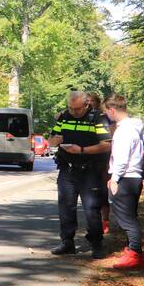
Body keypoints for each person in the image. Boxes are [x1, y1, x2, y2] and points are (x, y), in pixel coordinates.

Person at [47, 91, 112, 258]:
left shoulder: (98, 118)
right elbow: (52, 138)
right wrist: (55, 141)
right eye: (71, 108)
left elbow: (106, 145)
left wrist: (82, 150)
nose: (74, 112)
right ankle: (67, 242)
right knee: (66, 208)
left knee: (91, 209)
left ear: (86, 105)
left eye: (78, 109)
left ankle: (96, 243)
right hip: (67, 169)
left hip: (90, 170)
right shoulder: (65, 116)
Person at [103, 94, 144, 270]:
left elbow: (121, 158)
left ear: (112, 110)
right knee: (130, 216)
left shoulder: (124, 131)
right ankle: (131, 249)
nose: (107, 116)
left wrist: (114, 178)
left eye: (107, 112)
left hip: (125, 178)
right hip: (133, 177)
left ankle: (135, 254)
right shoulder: (134, 128)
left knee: (127, 219)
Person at [87, 92, 114, 234]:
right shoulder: (83, 116)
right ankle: (94, 221)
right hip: (89, 159)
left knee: (103, 193)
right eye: (87, 101)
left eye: (92, 101)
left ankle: (105, 220)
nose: (89, 103)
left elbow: (112, 134)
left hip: (103, 159)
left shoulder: (104, 118)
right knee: (91, 194)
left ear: (98, 102)